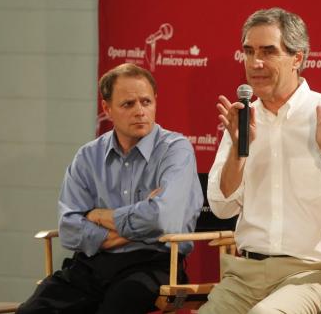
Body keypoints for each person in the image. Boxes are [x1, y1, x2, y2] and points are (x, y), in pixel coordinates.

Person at [200, 7, 321, 314]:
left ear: (297, 58)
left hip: (315, 273)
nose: (255, 63)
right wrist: (238, 150)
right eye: (249, 52)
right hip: (245, 274)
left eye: (268, 52)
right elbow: (221, 207)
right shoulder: (242, 121)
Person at [17, 63, 203, 314]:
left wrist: (98, 216)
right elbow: (70, 229)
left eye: (146, 102)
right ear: (107, 108)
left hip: (153, 263)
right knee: (33, 311)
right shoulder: (87, 156)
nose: (140, 111)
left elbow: (164, 218)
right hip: (92, 264)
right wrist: (144, 220)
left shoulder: (175, 149)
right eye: (128, 104)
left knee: (115, 306)